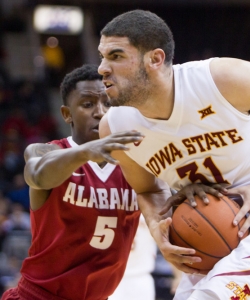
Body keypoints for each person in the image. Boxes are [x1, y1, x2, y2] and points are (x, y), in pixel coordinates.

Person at [97, 9, 250, 300]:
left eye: (115, 56)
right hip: (215, 240)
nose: (102, 67)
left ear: (155, 59)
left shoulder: (219, 79)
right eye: (102, 57)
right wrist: (159, 231)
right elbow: (147, 188)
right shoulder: (115, 128)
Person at [1, 64, 144, 300]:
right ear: (67, 114)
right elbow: (37, 174)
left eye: (108, 103)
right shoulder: (45, 150)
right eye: (88, 104)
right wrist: (86, 152)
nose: (100, 112)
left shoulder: (136, 164)